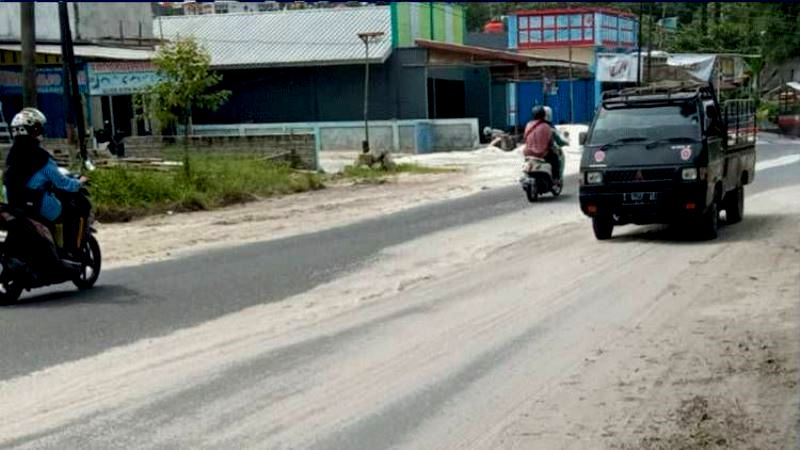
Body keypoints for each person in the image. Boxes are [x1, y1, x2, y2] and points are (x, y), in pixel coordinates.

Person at [4, 108, 88, 259]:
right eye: (38, 128)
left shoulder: (11, 156)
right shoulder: (41, 157)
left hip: (14, 204)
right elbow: (62, 183)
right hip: (35, 204)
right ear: (34, 130)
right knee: (71, 212)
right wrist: (79, 183)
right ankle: (69, 251)